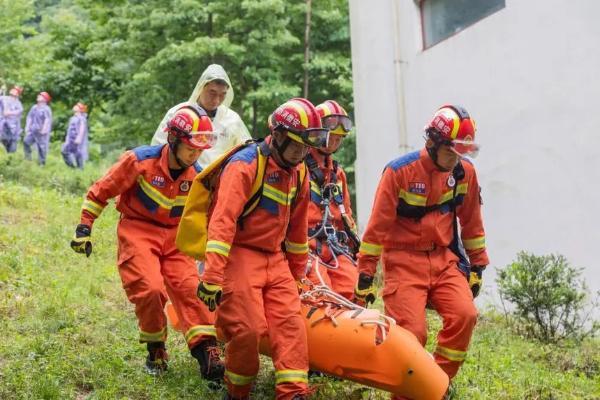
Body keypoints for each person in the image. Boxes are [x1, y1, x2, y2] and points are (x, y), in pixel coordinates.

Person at [69, 105, 224, 380]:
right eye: (191, 147)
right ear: (173, 139)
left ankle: (207, 354)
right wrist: (84, 227)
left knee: (190, 290)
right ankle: (156, 350)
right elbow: (99, 192)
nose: (195, 154)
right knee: (150, 289)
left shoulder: (198, 177)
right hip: (138, 230)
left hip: (176, 239)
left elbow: (211, 217)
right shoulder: (139, 161)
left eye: (200, 149)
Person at [196, 98, 328, 400]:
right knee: (247, 329)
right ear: (278, 136)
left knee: (291, 326)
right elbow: (222, 223)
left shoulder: (300, 172)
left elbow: (297, 231)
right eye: (296, 146)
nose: (301, 154)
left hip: (276, 260)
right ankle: (237, 390)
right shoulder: (245, 166)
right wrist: (212, 276)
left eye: (306, 148)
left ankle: (293, 392)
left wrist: (297, 277)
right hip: (239, 255)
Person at [353, 104, 489, 398]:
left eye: (462, 152)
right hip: (403, 260)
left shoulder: (464, 172)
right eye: (452, 151)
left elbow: (471, 222)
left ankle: (436, 384)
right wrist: (365, 275)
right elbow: (376, 229)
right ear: (433, 142)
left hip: (444, 260)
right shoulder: (399, 172)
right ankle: (407, 394)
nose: (457, 158)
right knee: (412, 334)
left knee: (465, 315)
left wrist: (478, 267)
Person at [305, 100, 359, 300]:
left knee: (354, 292)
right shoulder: (298, 169)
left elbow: (347, 218)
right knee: (323, 295)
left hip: (334, 247)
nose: (335, 141)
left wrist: (358, 251)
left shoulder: (337, 175)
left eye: (339, 137)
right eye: (332, 136)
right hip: (306, 249)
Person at [152, 64, 251, 167]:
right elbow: (158, 147)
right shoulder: (179, 113)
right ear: (201, 87)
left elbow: (247, 152)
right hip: (182, 176)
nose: (216, 100)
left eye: (222, 95)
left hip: (218, 179)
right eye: (212, 93)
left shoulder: (232, 120)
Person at [24, 92, 53, 165]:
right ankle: (28, 159)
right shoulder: (34, 107)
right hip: (33, 130)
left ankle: (42, 163)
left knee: (41, 147)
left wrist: (44, 129)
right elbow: (29, 117)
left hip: (41, 131)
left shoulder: (46, 109)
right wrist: (27, 127)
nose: (38, 96)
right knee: (26, 142)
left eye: (41, 96)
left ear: (45, 99)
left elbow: (47, 120)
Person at [61, 102, 89, 169]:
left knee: (78, 154)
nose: (75, 106)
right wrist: (67, 139)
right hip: (70, 140)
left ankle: (80, 169)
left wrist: (79, 137)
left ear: (80, 109)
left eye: (77, 106)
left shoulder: (82, 118)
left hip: (77, 140)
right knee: (64, 151)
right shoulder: (72, 118)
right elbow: (69, 130)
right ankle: (72, 167)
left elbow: (82, 128)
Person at [0, 86, 24, 153]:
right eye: (13, 89)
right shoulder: (4, 98)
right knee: (4, 141)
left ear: (17, 94)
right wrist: (1, 91)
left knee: (12, 149)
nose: (13, 90)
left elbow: (19, 111)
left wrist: (9, 113)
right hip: (4, 126)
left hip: (13, 129)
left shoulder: (18, 104)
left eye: (15, 90)